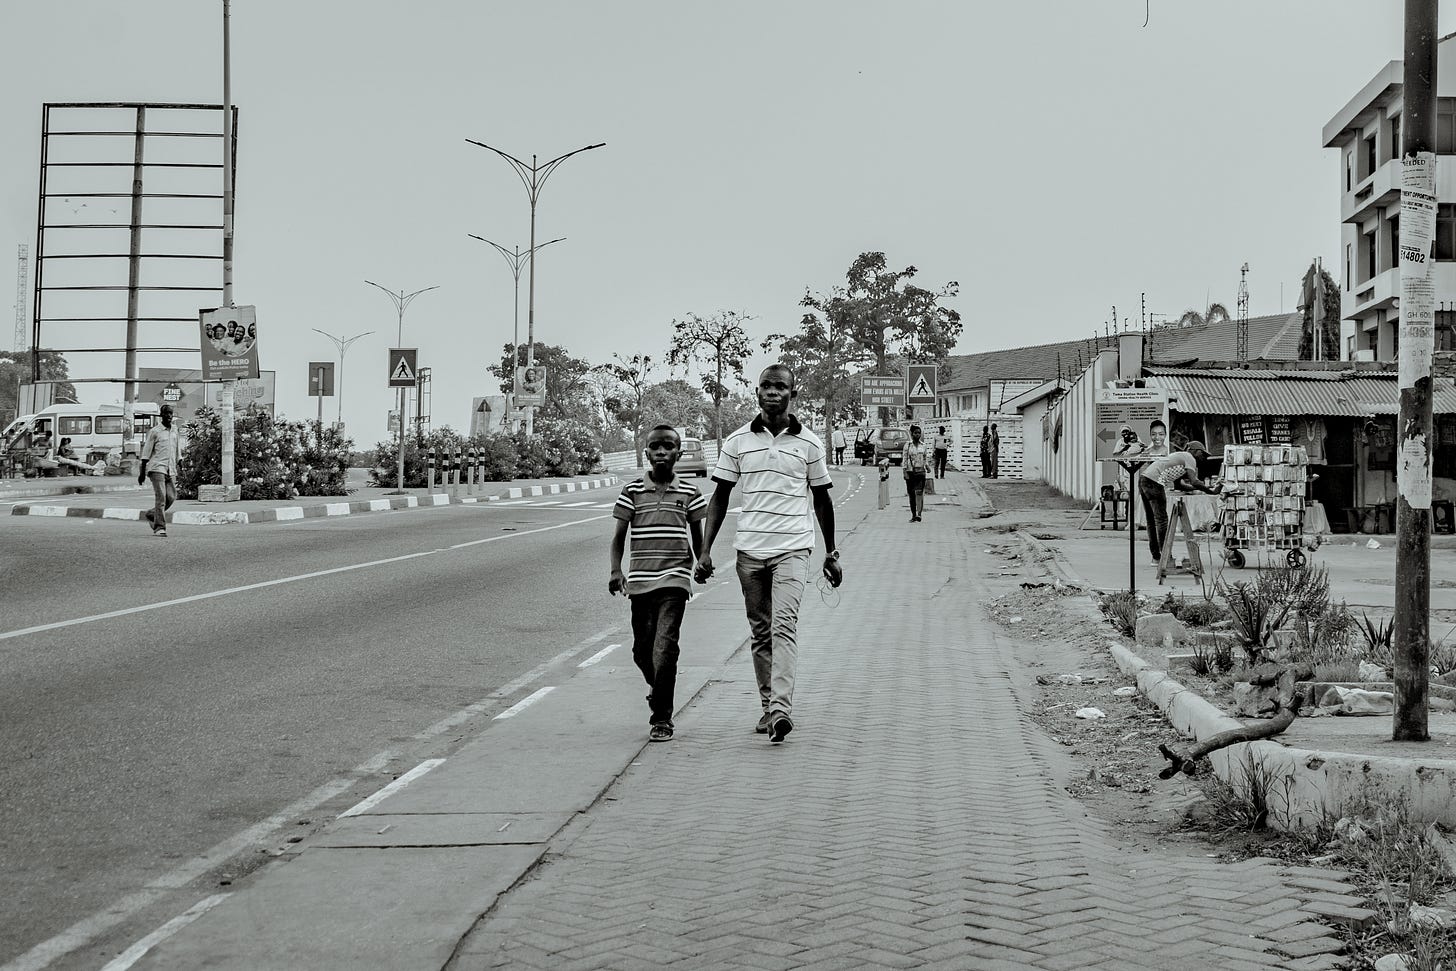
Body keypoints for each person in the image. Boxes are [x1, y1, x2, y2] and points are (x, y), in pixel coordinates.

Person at [694, 364, 842, 744]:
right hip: (749, 553)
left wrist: (831, 552)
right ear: (756, 391)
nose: (772, 392)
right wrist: (705, 550)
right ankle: (767, 709)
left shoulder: (809, 443)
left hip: (793, 548)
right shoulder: (737, 441)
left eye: (780, 387)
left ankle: (781, 709)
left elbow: (822, 498)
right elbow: (721, 496)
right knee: (760, 633)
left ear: (793, 393)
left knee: (783, 627)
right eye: (765, 386)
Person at [609, 424, 707, 743]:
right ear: (646, 453)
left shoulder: (690, 493)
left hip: (675, 581)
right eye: (655, 446)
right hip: (639, 582)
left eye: (668, 446)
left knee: (665, 647)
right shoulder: (632, 492)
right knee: (642, 651)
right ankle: (657, 686)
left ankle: (662, 718)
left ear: (678, 453)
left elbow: (698, 538)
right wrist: (615, 571)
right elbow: (618, 539)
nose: (662, 451)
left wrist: (702, 561)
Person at [1139, 442, 1219, 565]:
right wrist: (1211, 491)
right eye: (1202, 453)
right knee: (1161, 520)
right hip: (1155, 482)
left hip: (1144, 479)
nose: (1203, 457)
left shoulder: (1178, 456)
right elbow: (1195, 481)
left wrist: (1197, 490)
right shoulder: (1189, 458)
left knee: (1151, 520)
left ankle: (1156, 557)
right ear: (1194, 450)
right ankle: (1166, 557)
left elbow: (1179, 485)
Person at [139, 404, 179, 537]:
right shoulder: (155, 431)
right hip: (157, 468)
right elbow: (146, 453)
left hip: (170, 468)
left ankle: (152, 514)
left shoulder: (174, 430)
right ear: (161, 415)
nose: (169, 416)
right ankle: (159, 528)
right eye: (166, 413)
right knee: (161, 497)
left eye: (171, 413)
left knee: (171, 496)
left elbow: (177, 449)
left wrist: (180, 463)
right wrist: (142, 473)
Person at [902, 425, 931, 522]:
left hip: (921, 472)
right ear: (911, 434)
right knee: (911, 494)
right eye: (915, 433)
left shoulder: (923, 445)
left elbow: (925, 458)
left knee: (919, 493)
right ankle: (913, 515)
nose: (917, 435)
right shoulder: (908, 445)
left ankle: (919, 514)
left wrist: (927, 466)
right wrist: (904, 472)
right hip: (910, 472)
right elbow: (904, 459)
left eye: (919, 433)